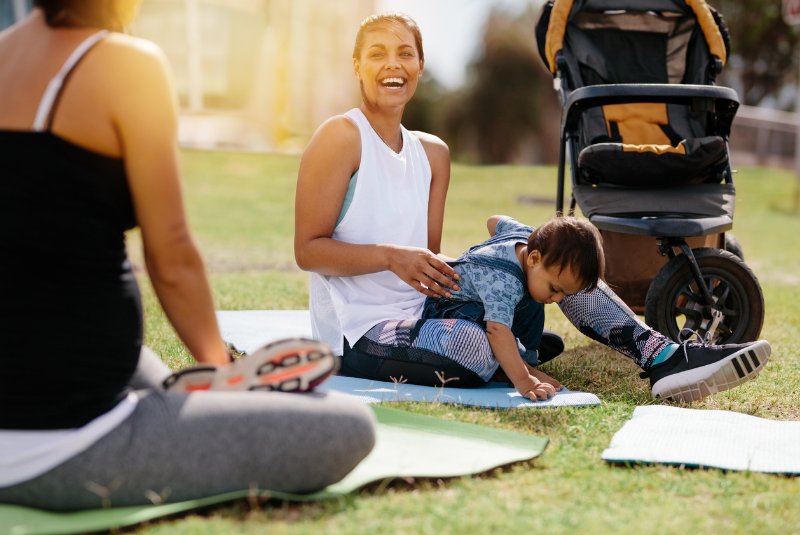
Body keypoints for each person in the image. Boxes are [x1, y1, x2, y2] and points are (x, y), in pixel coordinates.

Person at [0, 1, 374, 511]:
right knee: (348, 427)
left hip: (48, 386)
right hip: (59, 441)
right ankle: (215, 395)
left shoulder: (5, 50)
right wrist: (223, 375)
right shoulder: (126, 63)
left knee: (143, 365)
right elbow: (170, 255)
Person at [294, 11, 772, 404]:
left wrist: (505, 259)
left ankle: (665, 358)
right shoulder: (340, 137)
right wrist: (390, 257)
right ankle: (517, 353)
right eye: (376, 53)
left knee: (563, 263)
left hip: (426, 310)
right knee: (477, 348)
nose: (391, 64)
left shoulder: (434, 153)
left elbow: (431, 263)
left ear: (420, 65)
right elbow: (308, 251)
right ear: (356, 65)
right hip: (362, 329)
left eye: (404, 53)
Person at [421, 215, 603, 401]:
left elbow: (493, 220)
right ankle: (518, 368)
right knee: (497, 326)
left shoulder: (527, 236)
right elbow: (496, 329)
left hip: (482, 302)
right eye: (555, 289)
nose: (557, 299)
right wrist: (524, 381)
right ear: (534, 259)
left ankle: (519, 356)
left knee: (534, 295)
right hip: (446, 310)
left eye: (564, 294)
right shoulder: (504, 281)